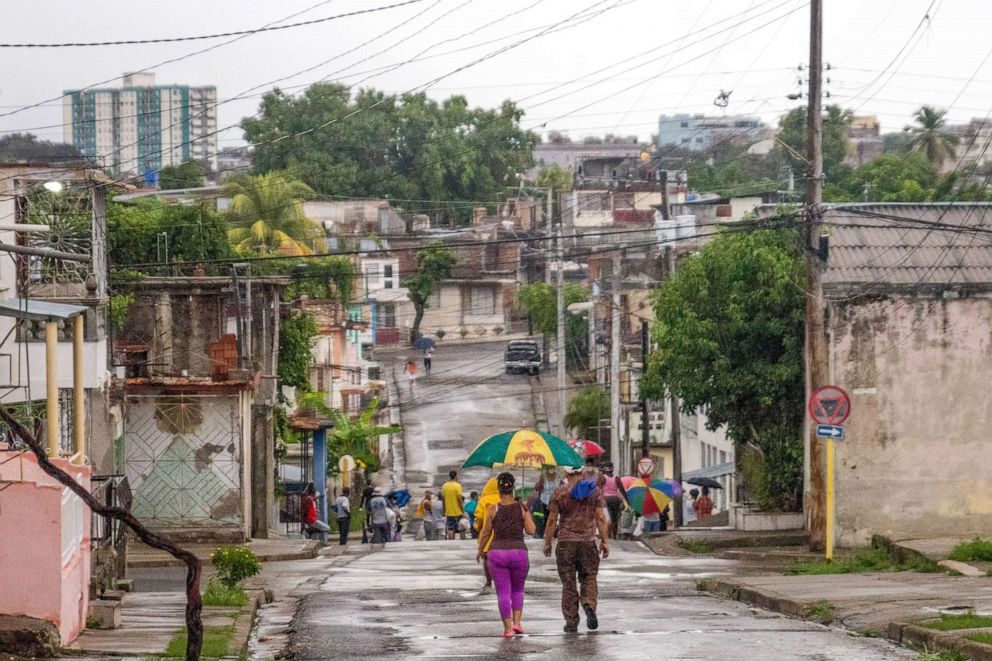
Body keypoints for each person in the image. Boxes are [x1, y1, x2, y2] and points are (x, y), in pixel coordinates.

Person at [544, 466, 609, 633]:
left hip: (566, 543)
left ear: (567, 474)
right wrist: (604, 541)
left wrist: (548, 542)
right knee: (589, 577)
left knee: (568, 583)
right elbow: (601, 517)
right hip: (588, 542)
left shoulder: (559, 492)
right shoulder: (593, 491)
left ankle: (571, 621)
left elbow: (552, 520)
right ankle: (589, 604)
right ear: (581, 474)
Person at [477, 472, 536, 638]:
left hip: (497, 554)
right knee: (518, 590)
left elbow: (486, 533)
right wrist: (525, 512)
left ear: (498, 489)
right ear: (513, 488)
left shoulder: (492, 509)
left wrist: (480, 550)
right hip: (519, 553)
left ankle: (508, 629)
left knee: (503, 592)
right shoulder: (521, 508)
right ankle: (517, 623)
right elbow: (532, 530)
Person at [474, 478, 499, 588]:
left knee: (486, 557)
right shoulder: (503, 498)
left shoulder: (483, 500)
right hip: (501, 534)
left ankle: (489, 581)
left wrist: (477, 527)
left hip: (487, 533)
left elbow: (479, 518)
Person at [532, 466, 562, 538]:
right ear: (547, 469)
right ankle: (545, 534)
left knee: (553, 519)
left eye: (552, 467)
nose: (551, 469)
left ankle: (551, 533)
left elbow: (562, 487)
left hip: (555, 502)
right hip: (544, 502)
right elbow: (537, 488)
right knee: (545, 519)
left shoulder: (558, 477)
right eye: (549, 467)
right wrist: (540, 481)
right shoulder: (543, 477)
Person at [600, 463, 627, 539]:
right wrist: (627, 500)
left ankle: (608, 535)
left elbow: (599, 489)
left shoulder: (603, 477)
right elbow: (622, 490)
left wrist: (601, 499)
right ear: (612, 469)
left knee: (607, 518)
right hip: (615, 499)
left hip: (606, 499)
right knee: (614, 519)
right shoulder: (617, 478)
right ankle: (614, 536)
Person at [441, 470, 465, 540]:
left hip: (449, 512)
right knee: (461, 528)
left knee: (450, 528)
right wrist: (462, 510)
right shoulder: (457, 486)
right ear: (456, 476)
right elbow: (459, 499)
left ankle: (451, 542)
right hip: (458, 512)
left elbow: (443, 499)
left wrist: (444, 510)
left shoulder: (444, 486)